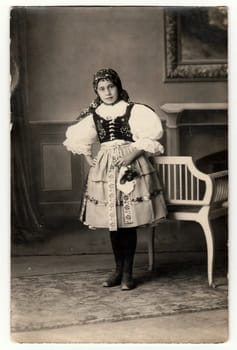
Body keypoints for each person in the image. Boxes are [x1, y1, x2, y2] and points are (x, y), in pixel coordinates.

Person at [63, 68, 167, 290]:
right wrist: (89, 156)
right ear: (96, 91)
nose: (107, 92)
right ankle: (118, 270)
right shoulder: (95, 114)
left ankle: (129, 273)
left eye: (111, 87)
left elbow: (149, 137)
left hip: (131, 164)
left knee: (128, 223)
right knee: (114, 223)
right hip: (105, 168)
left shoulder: (133, 110)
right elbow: (80, 138)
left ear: (118, 86)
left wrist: (132, 153)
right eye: (102, 88)